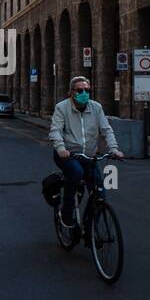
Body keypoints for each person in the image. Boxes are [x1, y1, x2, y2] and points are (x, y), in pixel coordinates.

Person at [50, 76, 124, 229]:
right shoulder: (62, 107)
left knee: (100, 193)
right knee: (76, 172)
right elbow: (55, 130)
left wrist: (114, 149)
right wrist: (61, 148)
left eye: (87, 90)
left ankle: (90, 229)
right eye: (80, 90)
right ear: (71, 92)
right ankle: (67, 211)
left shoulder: (96, 107)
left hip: (88, 156)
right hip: (67, 154)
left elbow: (106, 129)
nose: (84, 93)